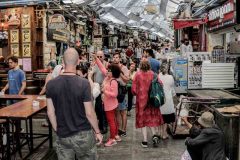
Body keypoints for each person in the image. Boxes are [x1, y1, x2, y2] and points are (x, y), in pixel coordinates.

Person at [46, 48, 103, 160]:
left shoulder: (51, 84)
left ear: (62, 61)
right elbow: (90, 113)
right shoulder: (84, 83)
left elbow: (50, 112)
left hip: (63, 133)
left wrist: (57, 129)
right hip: (83, 134)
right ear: (78, 62)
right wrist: (97, 131)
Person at [132, 60, 164, 148]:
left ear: (140, 65)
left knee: (143, 121)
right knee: (151, 119)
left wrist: (139, 92)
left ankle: (145, 141)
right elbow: (161, 84)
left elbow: (133, 90)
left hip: (142, 102)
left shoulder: (137, 75)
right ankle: (154, 136)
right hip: (152, 101)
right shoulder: (153, 74)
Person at [94, 55, 122, 147]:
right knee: (113, 120)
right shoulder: (107, 77)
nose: (107, 71)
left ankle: (112, 139)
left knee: (111, 122)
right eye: (108, 70)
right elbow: (102, 68)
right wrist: (96, 59)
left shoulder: (113, 81)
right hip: (109, 104)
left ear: (113, 73)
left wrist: (104, 91)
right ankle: (116, 135)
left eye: (110, 70)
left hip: (110, 105)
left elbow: (115, 94)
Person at [91, 50, 109, 134]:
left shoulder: (106, 64)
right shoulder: (94, 64)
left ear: (104, 57)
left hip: (104, 89)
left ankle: (104, 126)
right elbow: (91, 75)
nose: (99, 58)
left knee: (104, 109)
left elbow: (107, 74)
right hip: (96, 89)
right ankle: (100, 125)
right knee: (98, 108)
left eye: (100, 56)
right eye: (97, 57)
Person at [112, 52, 130, 137]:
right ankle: (119, 129)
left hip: (122, 91)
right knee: (117, 111)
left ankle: (124, 130)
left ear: (119, 59)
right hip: (114, 91)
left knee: (123, 111)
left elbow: (127, 80)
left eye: (117, 57)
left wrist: (120, 73)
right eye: (114, 57)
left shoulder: (124, 68)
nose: (115, 59)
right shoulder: (112, 67)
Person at [158, 64, 176, 139]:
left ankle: (159, 132)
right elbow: (172, 88)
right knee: (166, 118)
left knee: (160, 117)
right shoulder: (170, 77)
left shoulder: (158, 76)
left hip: (160, 99)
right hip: (167, 99)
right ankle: (164, 134)